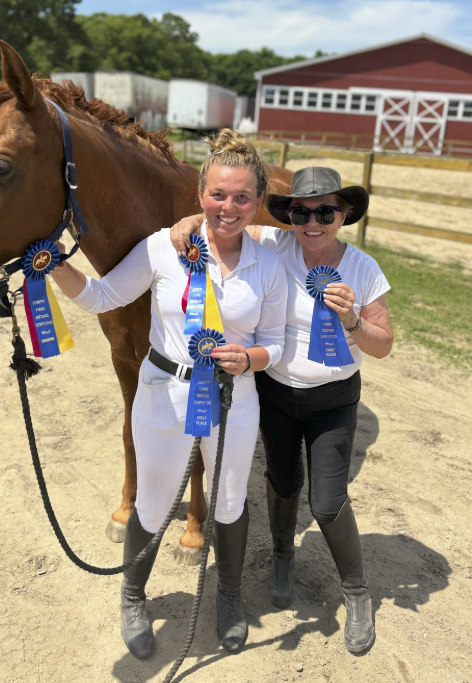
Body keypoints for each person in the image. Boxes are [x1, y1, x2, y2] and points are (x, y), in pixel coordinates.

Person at [51, 129, 288, 658]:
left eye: (242, 198)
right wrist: (54, 265)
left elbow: (277, 342)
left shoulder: (269, 258)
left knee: (229, 499)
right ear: (200, 192)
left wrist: (251, 358)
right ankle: (132, 596)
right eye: (219, 195)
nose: (229, 207)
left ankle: (228, 597)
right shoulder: (163, 246)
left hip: (234, 396)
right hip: (163, 393)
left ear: (257, 202)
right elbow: (102, 295)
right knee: (155, 501)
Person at [170, 166, 393, 654]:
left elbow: (383, 345)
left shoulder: (363, 268)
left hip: (333, 401)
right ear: (289, 215)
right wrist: (188, 220)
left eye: (325, 211)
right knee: (282, 480)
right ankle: (283, 553)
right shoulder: (273, 242)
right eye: (302, 211)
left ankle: (357, 592)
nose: (312, 221)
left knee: (328, 501)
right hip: (276, 394)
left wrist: (353, 318)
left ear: (344, 214)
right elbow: (225, 217)